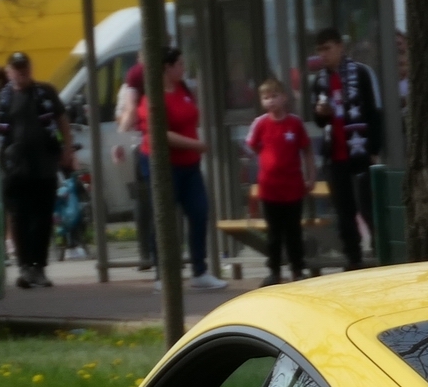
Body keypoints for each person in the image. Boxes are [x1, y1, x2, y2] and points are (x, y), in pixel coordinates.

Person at [134, 47, 226, 290]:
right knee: (164, 219)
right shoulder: (151, 96)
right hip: (163, 166)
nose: (183, 69)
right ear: (167, 67)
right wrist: (196, 144)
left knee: (199, 211)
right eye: (180, 65)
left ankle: (199, 271)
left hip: (189, 165)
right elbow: (159, 133)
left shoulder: (183, 90)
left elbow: (191, 117)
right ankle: (162, 274)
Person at [0, 53, 76, 290]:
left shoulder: (45, 92)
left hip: (44, 165)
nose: (22, 73)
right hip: (15, 169)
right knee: (20, 218)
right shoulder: (2, 99)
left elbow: (62, 120)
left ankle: (38, 267)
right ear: (9, 72)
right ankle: (24, 267)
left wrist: (68, 149)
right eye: (16, 69)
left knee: (41, 219)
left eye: (25, 68)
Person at [307, 27, 384, 270]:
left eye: (327, 48)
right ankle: (353, 259)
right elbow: (318, 121)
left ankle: (381, 254)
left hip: (360, 150)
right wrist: (321, 114)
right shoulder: (319, 80)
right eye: (319, 51)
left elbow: (375, 111)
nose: (324, 55)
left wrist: (374, 148)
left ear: (340, 47)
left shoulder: (361, 73)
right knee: (343, 210)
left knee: (368, 205)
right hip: (335, 153)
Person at [247, 78, 315, 284]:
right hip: (269, 189)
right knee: (274, 234)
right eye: (266, 98)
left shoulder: (295, 123)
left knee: (293, 232)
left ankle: (297, 270)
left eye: (274, 96)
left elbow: (307, 151)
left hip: (293, 188)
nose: (271, 101)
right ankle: (274, 272)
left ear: (284, 97)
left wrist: (310, 176)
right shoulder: (260, 124)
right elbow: (252, 146)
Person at [113, 61, 157, 273]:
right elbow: (122, 116)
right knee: (143, 200)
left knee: (154, 200)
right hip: (138, 145)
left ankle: (155, 250)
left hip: (159, 146)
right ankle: (146, 252)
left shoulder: (169, 82)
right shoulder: (129, 88)